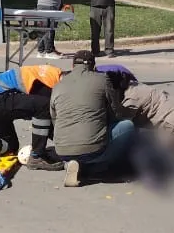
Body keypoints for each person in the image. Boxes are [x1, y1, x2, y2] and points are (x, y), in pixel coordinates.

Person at [51, 50, 135, 187]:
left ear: (73, 66)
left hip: (62, 150)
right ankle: (94, 169)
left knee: (82, 145)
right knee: (127, 126)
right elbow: (117, 112)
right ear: (93, 66)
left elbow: (54, 118)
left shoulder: (58, 85)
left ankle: (71, 164)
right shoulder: (102, 79)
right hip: (92, 149)